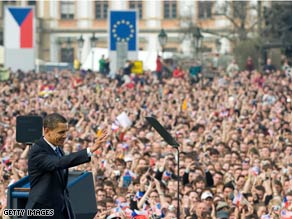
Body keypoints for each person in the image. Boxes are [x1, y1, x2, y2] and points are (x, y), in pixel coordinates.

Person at [24, 113, 108, 219]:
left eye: (66, 131)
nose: (65, 136)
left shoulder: (57, 149)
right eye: (61, 132)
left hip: (60, 209)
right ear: (47, 131)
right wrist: (90, 150)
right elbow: (59, 163)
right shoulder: (38, 150)